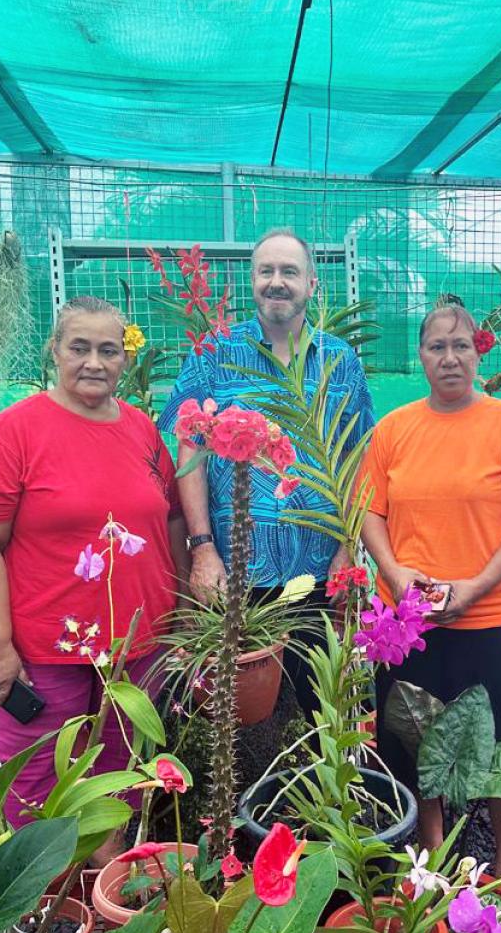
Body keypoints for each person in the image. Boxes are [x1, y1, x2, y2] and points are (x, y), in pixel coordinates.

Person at [0, 295, 187, 865]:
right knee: (34, 777)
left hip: (138, 647)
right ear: (54, 351)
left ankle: (105, 889)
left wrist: (177, 616)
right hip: (48, 650)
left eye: (108, 350)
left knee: (117, 774)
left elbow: (169, 517)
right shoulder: (17, 432)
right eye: (79, 348)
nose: (94, 363)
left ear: (124, 360)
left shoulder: (142, 431)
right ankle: (33, 890)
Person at [361, 301, 501, 893]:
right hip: (409, 625)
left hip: (492, 618)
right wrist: (395, 575)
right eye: (436, 347)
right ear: (420, 356)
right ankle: (431, 855)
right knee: (412, 739)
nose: (449, 358)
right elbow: (370, 511)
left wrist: (475, 587)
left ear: (478, 353)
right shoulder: (394, 429)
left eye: (461, 347)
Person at [157, 228, 374, 717]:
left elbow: (360, 456)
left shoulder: (340, 361)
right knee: (239, 717)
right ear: (252, 280)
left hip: (320, 569)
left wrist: (348, 547)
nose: (277, 282)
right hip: (235, 572)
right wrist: (202, 549)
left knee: (323, 707)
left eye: (289, 272)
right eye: (266, 271)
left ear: (312, 285)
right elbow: (188, 449)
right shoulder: (214, 352)